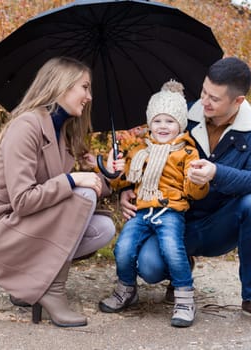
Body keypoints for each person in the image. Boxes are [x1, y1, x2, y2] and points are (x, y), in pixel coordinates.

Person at [119, 57, 251, 328]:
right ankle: (181, 265)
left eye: (214, 99)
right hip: (173, 221)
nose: (204, 101)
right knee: (148, 268)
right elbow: (148, 151)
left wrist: (216, 173)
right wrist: (126, 189)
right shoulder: (182, 115)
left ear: (237, 101)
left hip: (221, 224)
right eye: (204, 91)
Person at [0, 57, 116, 328]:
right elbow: (24, 201)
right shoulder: (27, 126)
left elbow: (72, 191)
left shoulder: (62, 132)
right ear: (62, 86)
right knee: (82, 196)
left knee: (103, 228)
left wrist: (104, 173)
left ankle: (29, 282)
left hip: (27, 225)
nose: (89, 96)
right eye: (84, 87)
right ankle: (51, 290)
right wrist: (72, 179)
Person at [99, 81, 209, 327]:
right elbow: (123, 181)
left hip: (170, 211)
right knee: (123, 248)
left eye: (170, 121)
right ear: (150, 122)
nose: (162, 126)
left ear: (180, 124)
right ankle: (127, 288)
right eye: (157, 120)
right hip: (141, 210)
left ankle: (184, 297)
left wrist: (197, 181)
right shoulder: (139, 151)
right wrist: (112, 171)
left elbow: (195, 193)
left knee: (172, 249)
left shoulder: (187, 153)